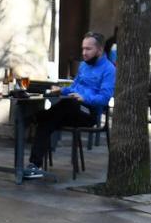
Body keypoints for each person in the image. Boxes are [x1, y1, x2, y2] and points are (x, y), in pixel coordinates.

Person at [24, 31, 113, 179]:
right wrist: (62, 90)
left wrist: (84, 98)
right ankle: (35, 165)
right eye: (83, 48)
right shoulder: (84, 66)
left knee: (65, 106)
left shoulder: (109, 69)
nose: (84, 53)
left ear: (100, 50)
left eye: (88, 49)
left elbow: (104, 98)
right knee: (48, 121)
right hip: (70, 109)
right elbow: (74, 88)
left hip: (88, 113)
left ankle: (34, 117)